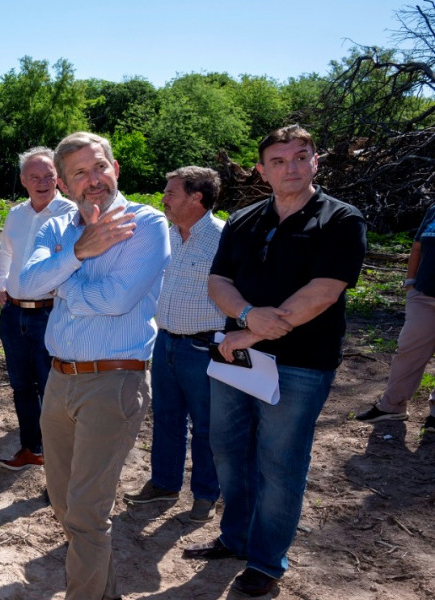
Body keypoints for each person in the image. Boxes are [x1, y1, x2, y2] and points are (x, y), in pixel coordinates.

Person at [183, 125, 366, 598]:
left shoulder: (341, 220)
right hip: (237, 360)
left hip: (301, 365)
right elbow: (217, 283)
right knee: (228, 450)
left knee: (280, 465)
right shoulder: (245, 219)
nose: (292, 168)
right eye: (279, 161)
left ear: (316, 162)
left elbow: (323, 292)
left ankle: (266, 561)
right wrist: (245, 315)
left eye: (301, 157)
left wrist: (251, 329)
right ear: (262, 171)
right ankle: (236, 538)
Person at [15, 131, 171, 600]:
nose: (93, 179)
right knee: (64, 505)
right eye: (79, 172)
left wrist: (62, 283)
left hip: (115, 381)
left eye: (99, 166)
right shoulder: (58, 229)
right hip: (60, 381)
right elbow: (25, 286)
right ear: (63, 183)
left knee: (86, 511)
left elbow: (117, 299)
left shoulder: (147, 223)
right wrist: (80, 251)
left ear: (116, 167)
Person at [123, 166, 224, 523]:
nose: (163, 199)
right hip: (164, 341)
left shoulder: (224, 238)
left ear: (197, 198)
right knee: (166, 418)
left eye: (171, 193)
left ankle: (205, 495)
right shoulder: (167, 235)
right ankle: (164, 484)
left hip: (204, 348)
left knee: (207, 424)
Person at [0, 147, 75, 471]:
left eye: (49, 176)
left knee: (53, 389)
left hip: (50, 314)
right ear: (24, 180)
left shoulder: (71, 214)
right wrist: (2, 283)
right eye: (35, 177)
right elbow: (5, 251)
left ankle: (59, 462)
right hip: (14, 315)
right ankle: (32, 448)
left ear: (58, 178)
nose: (43, 182)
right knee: (21, 387)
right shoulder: (16, 214)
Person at [354, 202, 435, 431]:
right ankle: (392, 406)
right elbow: (418, 246)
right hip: (423, 295)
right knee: (408, 350)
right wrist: (410, 284)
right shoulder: (434, 208)